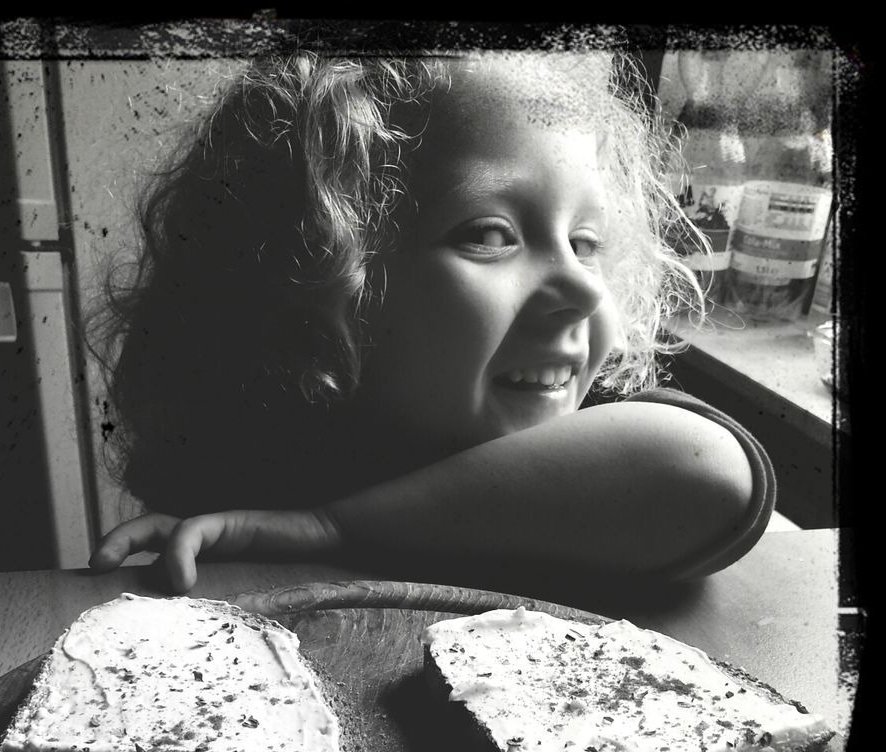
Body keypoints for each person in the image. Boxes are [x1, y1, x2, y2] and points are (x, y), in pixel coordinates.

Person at [89, 49, 775, 593]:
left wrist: (334, 530)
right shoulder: (269, 471)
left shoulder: (598, 441)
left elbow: (711, 472)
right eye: (490, 234)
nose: (582, 288)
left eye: (586, 242)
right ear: (319, 278)